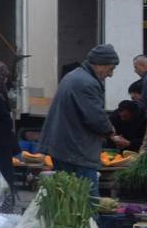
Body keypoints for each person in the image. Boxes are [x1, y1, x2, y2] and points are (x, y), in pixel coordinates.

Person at [39, 44, 123, 197]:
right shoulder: (86, 83)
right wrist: (110, 130)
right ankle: (88, 221)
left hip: (65, 146)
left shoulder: (75, 76)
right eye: (110, 69)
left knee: (68, 196)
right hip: (76, 149)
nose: (110, 74)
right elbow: (95, 116)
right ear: (98, 65)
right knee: (86, 199)